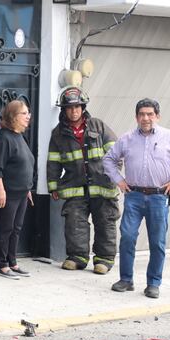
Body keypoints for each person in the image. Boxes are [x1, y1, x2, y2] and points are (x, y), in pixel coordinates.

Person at [103, 98, 170, 298]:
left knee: (157, 242)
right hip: (133, 196)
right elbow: (108, 159)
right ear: (136, 117)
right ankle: (126, 280)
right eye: (142, 114)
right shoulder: (126, 139)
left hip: (158, 198)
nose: (146, 118)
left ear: (157, 116)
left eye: (150, 114)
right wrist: (119, 180)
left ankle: (153, 283)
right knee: (127, 237)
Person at [46, 87, 120, 275]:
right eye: (70, 107)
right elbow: (53, 161)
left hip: (102, 186)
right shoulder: (58, 134)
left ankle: (104, 259)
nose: (74, 111)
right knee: (75, 223)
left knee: (105, 222)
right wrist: (53, 185)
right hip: (74, 186)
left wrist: (113, 175)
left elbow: (116, 152)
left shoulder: (98, 126)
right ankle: (77, 257)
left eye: (77, 106)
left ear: (83, 107)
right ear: (64, 110)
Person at [0, 99, 34, 279]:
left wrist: (27, 188)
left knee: (16, 228)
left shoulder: (19, 136)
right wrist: (0, 190)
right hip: (8, 193)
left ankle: (12, 262)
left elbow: (24, 164)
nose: (28, 117)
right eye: (24, 113)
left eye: (28, 113)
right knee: (6, 228)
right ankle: (2, 264)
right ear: (13, 116)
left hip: (21, 192)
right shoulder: (2, 138)